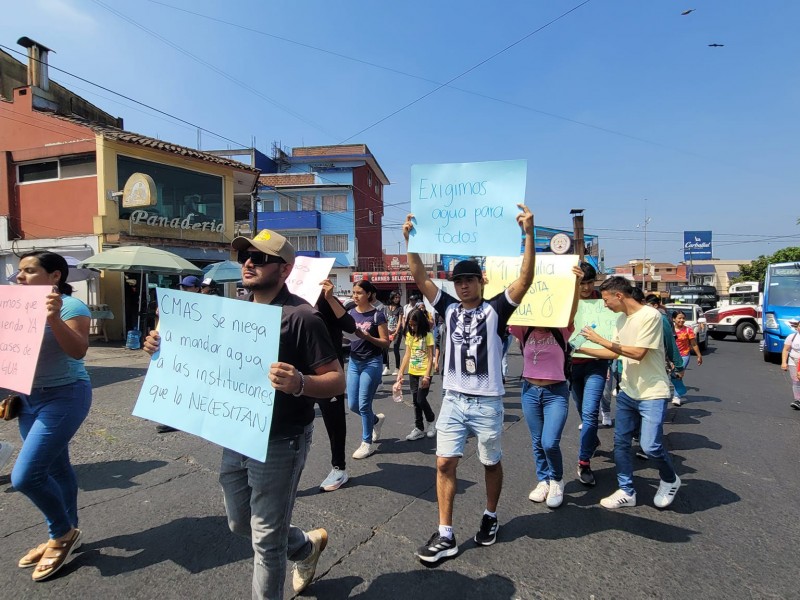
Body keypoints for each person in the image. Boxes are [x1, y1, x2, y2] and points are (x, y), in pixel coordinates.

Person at [144, 229, 345, 599]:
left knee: (266, 543)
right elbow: (203, 357)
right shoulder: (231, 312)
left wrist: (300, 381)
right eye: (245, 257)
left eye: (260, 258)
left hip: (280, 440)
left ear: (284, 270)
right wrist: (162, 345)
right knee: (239, 523)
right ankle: (303, 545)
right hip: (235, 432)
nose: (249, 263)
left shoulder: (302, 317)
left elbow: (336, 381)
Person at [405, 204, 536, 562]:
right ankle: (446, 534)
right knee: (444, 464)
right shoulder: (446, 307)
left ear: (482, 281)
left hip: (487, 403)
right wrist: (410, 243)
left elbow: (524, 280)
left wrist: (528, 233)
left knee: (489, 463)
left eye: (470, 280)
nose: (463, 286)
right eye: (458, 281)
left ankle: (490, 515)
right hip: (453, 400)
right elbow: (419, 278)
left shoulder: (496, 310)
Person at [12, 250, 91, 582]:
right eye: (19, 271)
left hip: (65, 395)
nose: (19, 277)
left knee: (26, 476)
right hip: (27, 400)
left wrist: (53, 318)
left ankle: (60, 533)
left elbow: (78, 350)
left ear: (55, 276)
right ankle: (66, 531)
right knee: (56, 468)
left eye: (29, 271)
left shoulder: (73, 307)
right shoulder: (15, 307)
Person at [579, 276, 682, 510]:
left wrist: (599, 339)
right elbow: (615, 353)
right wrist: (583, 348)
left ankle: (669, 479)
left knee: (650, 446)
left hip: (652, 392)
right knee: (621, 445)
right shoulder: (621, 320)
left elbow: (637, 353)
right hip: (627, 390)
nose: (604, 305)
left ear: (619, 296)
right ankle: (626, 491)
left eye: (606, 300)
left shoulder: (650, 316)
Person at [512, 265, 582, 508]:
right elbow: (506, 307)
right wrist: (490, 287)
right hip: (530, 391)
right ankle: (543, 480)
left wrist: (574, 284)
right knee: (536, 440)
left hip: (556, 393)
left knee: (549, 441)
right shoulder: (524, 328)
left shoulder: (560, 329)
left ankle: (557, 480)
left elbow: (571, 311)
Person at [570, 262, 612, 487]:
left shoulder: (604, 301)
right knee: (580, 408)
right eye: (581, 283)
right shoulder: (567, 299)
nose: (585, 288)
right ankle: (591, 439)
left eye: (589, 282)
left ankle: (584, 462)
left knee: (590, 412)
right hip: (571, 365)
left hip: (597, 363)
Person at [315, 279, 356, 491]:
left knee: (334, 420)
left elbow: (350, 326)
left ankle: (339, 468)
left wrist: (330, 298)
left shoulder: (326, 300)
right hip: (296, 371)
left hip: (327, 370)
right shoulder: (289, 299)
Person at [347, 279, 391, 459]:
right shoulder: (350, 313)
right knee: (353, 405)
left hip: (372, 362)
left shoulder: (377, 315)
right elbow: (348, 337)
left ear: (368, 295)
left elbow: (385, 342)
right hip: (353, 362)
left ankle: (367, 443)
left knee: (364, 404)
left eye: (359, 293)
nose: (355, 296)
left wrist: (367, 337)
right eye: (354, 292)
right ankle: (375, 420)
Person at [395, 307, 437, 440]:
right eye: (410, 325)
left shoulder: (428, 336)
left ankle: (431, 421)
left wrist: (426, 376)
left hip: (425, 372)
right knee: (415, 401)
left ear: (421, 323)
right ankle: (419, 428)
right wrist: (400, 372)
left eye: (415, 325)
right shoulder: (410, 335)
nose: (412, 328)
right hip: (412, 372)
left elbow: (430, 357)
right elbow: (407, 354)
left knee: (420, 399)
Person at [670, 311, 703, 406]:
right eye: (679, 318)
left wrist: (699, 355)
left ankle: (677, 397)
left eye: (683, 318)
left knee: (678, 374)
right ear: (674, 319)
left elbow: (693, 344)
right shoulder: (669, 330)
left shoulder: (688, 330)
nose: (682, 320)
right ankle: (678, 389)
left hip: (683, 356)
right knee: (671, 375)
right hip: (671, 356)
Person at [780, 319, 800, 410]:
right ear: (797, 327)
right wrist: (784, 362)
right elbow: (786, 349)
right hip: (793, 361)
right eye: (799, 326)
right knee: (796, 381)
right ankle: (798, 400)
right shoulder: (792, 337)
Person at [383, 291, 403, 375]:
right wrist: (387, 330)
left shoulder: (400, 308)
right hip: (388, 331)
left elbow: (400, 321)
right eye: (396, 297)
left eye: (398, 297)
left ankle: (397, 368)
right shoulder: (386, 308)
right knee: (385, 349)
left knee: (395, 349)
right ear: (392, 298)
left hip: (397, 331)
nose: (397, 299)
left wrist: (396, 331)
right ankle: (387, 367)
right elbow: (385, 320)